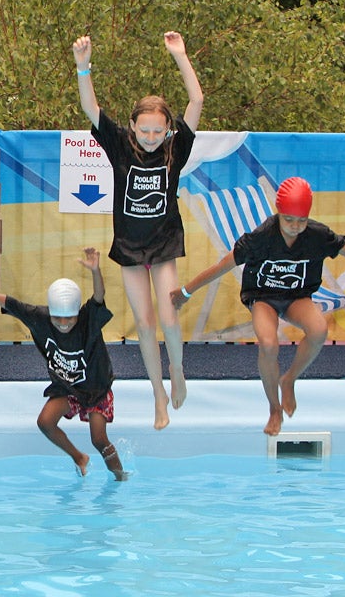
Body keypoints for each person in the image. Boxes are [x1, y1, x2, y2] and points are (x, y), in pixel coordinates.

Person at [171, 176, 345, 436]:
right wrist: (186, 292)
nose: (295, 226)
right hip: (263, 297)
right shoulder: (262, 237)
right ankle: (274, 409)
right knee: (268, 343)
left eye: (301, 221)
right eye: (288, 220)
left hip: (298, 297)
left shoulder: (317, 235)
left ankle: (289, 379)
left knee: (319, 330)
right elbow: (222, 266)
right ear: (279, 212)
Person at [74, 31, 203, 430]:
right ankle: (158, 395)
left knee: (168, 319)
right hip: (130, 248)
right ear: (132, 126)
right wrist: (83, 66)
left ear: (168, 130)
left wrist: (180, 56)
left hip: (163, 244)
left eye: (157, 131)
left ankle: (177, 370)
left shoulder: (174, 150)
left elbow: (196, 101)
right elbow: (90, 107)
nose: (150, 138)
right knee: (144, 325)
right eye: (143, 130)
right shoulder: (119, 145)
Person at [0, 248, 127, 480]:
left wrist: (96, 272)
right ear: (50, 313)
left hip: (96, 389)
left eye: (70, 318)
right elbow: (12, 304)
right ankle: (78, 457)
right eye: (58, 318)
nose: (64, 323)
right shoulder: (40, 318)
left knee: (98, 439)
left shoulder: (89, 320)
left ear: (78, 313)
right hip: (67, 389)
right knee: (45, 422)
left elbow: (98, 297)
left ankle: (120, 479)